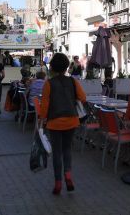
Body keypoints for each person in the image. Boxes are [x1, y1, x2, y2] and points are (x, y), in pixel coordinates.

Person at [39, 53, 87, 195]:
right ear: (67, 66)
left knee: (57, 153)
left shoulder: (48, 83)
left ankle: (58, 183)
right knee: (67, 150)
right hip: (71, 121)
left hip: (54, 123)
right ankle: (68, 175)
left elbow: (44, 106)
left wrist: (42, 121)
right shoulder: (73, 81)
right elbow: (83, 98)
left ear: (52, 66)